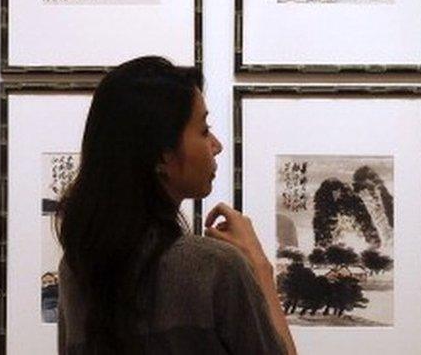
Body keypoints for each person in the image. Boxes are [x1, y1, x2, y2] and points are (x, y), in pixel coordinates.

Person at [55, 56, 297, 354]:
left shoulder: (76, 269)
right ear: (163, 156)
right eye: (204, 130)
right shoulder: (216, 268)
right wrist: (259, 268)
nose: (217, 145)